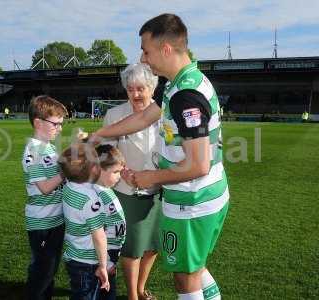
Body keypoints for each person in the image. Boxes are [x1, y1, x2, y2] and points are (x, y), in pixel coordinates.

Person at [93, 14, 229, 300]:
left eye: (146, 50)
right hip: (204, 195)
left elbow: (198, 164)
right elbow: (143, 118)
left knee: (185, 278)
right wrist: (100, 134)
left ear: (166, 49)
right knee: (196, 267)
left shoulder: (186, 94)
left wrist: (148, 177)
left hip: (193, 201)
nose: (143, 58)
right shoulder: (178, 83)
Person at [102, 63, 160, 300]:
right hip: (127, 191)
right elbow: (107, 152)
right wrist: (124, 172)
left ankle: (140, 288)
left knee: (152, 246)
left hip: (160, 191)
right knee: (133, 248)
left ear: (152, 88)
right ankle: (132, 296)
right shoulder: (115, 115)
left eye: (141, 89)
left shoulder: (165, 113)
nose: (135, 94)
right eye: (130, 89)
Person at [21, 95, 67, 300]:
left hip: (55, 219)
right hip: (42, 223)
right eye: (56, 124)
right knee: (43, 271)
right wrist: (68, 170)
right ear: (38, 122)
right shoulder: (34, 151)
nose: (60, 129)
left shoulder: (48, 147)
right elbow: (45, 187)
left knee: (49, 269)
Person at [59, 143, 110, 300]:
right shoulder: (89, 199)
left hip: (74, 255)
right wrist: (103, 266)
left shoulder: (68, 186)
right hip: (88, 261)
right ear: (94, 169)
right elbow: (99, 236)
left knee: (79, 293)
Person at [94, 144, 127, 300]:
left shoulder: (105, 189)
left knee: (107, 292)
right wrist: (106, 262)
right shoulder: (96, 196)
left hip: (112, 252)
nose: (119, 176)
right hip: (103, 255)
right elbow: (94, 233)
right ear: (99, 170)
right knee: (104, 293)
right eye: (115, 172)